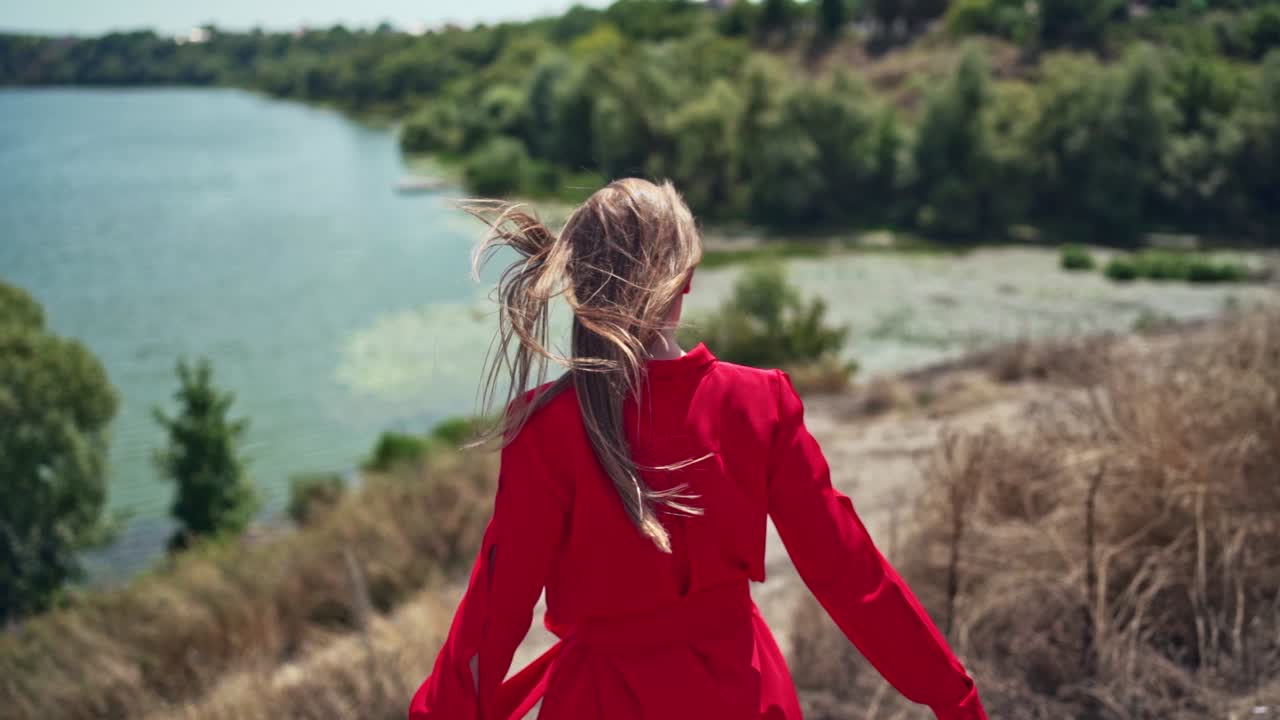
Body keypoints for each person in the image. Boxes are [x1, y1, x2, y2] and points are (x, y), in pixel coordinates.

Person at [408, 179, 987, 720]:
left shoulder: (544, 425)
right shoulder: (760, 403)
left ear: (579, 283)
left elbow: (496, 611)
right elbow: (849, 572)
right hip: (743, 693)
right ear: (685, 278)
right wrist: (952, 695)